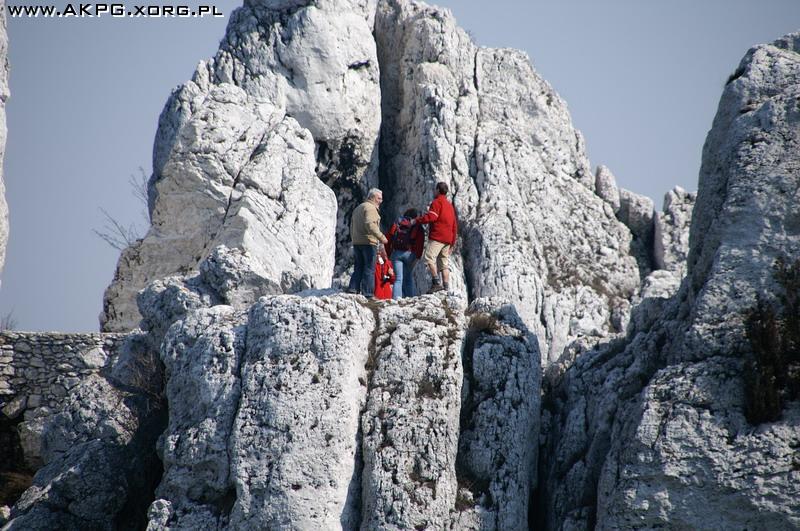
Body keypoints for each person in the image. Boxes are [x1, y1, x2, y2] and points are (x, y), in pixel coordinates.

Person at [413, 181, 457, 293]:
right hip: (448, 239)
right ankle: (446, 287)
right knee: (444, 263)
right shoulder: (449, 206)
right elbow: (454, 225)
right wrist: (452, 242)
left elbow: (431, 217)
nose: (434, 191)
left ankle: (436, 282)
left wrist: (416, 221)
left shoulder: (437, 202)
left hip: (438, 236)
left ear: (438, 190)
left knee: (429, 258)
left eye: (435, 189)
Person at [348, 188, 388, 297]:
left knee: (358, 267)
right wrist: (381, 237)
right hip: (368, 242)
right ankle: (368, 294)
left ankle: (353, 289)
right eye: (379, 198)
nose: (381, 201)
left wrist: (354, 239)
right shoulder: (370, 208)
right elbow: (371, 225)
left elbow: (352, 226)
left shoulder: (358, 208)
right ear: (373, 197)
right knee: (369, 268)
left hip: (357, 242)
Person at [385, 208, 425, 299]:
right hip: (410, 254)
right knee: (408, 277)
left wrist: (388, 254)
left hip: (397, 254)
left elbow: (388, 238)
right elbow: (420, 243)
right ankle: (410, 298)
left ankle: (396, 299)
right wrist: (417, 257)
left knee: (398, 278)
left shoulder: (398, 224)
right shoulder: (417, 226)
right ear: (415, 217)